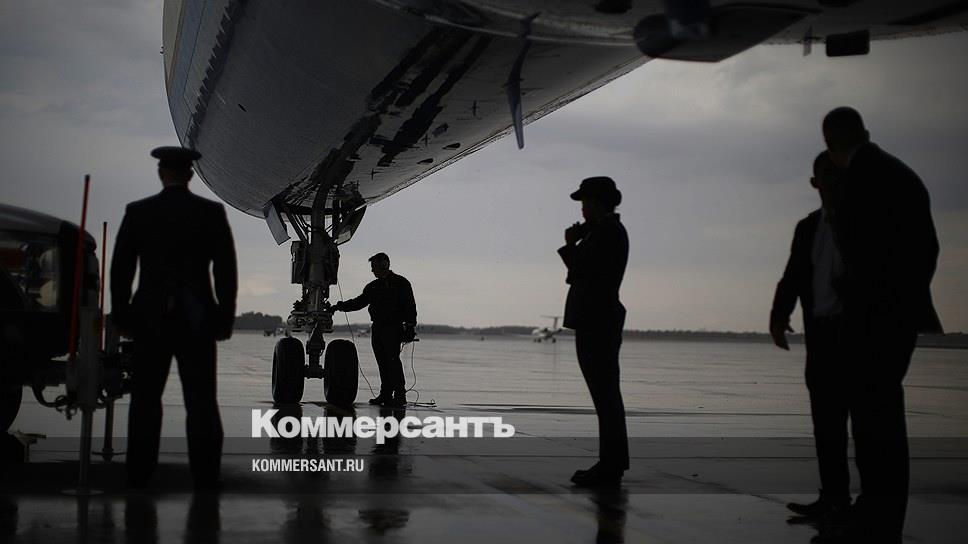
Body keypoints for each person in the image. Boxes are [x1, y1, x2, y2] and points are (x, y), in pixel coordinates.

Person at [821, 107, 942, 541]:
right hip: (898, 312)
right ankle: (883, 514)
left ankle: (876, 515)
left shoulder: (859, 180)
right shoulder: (900, 174)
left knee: (873, 422)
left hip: (872, 316)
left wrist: (851, 291)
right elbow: (927, 248)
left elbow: (859, 250)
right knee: (884, 415)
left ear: (831, 146)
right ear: (864, 132)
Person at [111, 146, 237, 489]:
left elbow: (122, 269)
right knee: (202, 402)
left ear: (161, 173)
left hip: (149, 319)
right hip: (197, 320)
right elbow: (225, 270)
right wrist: (224, 318)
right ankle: (206, 475)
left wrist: (122, 314)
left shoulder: (138, 212)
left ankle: (139, 472)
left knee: (145, 400)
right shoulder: (210, 213)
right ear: (190, 174)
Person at [770, 151, 852, 520]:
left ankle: (867, 506)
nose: (831, 181)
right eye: (825, 174)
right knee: (826, 424)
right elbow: (793, 275)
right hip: (821, 336)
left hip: (857, 335)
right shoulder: (808, 227)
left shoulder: (864, 221)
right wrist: (779, 316)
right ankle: (833, 498)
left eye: (837, 173)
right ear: (814, 183)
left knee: (864, 425)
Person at [558, 176, 630, 487]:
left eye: (586, 202)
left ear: (598, 203)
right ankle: (611, 463)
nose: (582, 209)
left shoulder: (607, 233)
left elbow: (581, 272)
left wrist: (570, 243)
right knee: (606, 396)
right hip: (597, 320)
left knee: (605, 396)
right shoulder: (604, 232)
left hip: (596, 321)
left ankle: (611, 466)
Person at [332, 253, 416, 408]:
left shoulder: (401, 283)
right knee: (382, 363)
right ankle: (385, 394)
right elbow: (359, 302)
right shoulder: (373, 287)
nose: (372, 270)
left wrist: (410, 326)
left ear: (384, 265)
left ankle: (400, 395)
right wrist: (339, 307)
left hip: (393, 328)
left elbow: (410, 306)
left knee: (393, 362)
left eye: (374, 267)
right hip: (378, 328)